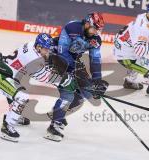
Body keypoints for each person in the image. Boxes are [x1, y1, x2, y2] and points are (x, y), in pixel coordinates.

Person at [0, 33, 74, 142]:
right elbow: (45, 78)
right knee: (21, 97)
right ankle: (7, 127)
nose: (48, 51)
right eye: (46, 49)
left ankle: (15, 116)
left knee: (18, 90)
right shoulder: (32, 59)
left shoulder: (31, 45)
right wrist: (65, 80)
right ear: (39, 47)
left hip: (9, 74)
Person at [44, 12, 108, 142]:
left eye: (98, 29)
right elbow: (62, 51)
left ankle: (57, 112)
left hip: (73, 61)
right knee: (68, 92)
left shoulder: (95, 39)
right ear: (87, 23)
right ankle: (54, 125)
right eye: (94, 28)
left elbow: (95, 59)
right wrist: (71, 71)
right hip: (56, 58)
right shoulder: (71, 28)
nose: (96, 32)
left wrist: (97, 81)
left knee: (88, 92)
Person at [113, 2, 149, 97]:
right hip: (126, 57)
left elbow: (146, 35)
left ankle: (129, 81)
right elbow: (140, 50)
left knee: (140, 57)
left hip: (123, 49)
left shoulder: (143, 16)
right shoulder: (142, 29)